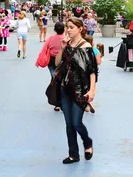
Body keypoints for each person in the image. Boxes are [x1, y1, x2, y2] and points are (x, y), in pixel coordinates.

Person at [54, 17, 97, 164]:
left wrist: (92, 91)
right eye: (67, 27)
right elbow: (57, 63)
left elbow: (92, 71)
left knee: (77, 122)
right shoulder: (67, 44)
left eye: (71, 27)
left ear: (80, 29)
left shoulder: (86, 47)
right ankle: (73, 154)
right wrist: (63, 47)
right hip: (65, 88)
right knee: (68, 124)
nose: (68, 29)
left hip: (80, 90)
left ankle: (87, 141)